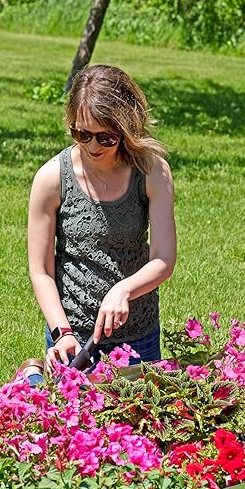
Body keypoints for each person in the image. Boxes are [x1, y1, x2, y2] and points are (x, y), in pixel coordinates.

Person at [25, 64, 176, 377]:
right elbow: (41, 271)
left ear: (126, 128)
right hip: (73, 336)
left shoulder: (152, 172)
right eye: (82, 134)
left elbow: (163, 258)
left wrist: (124, 290)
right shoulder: (52, 178)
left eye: (106, 137)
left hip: (139, 334)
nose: (93, 146)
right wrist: (61, 332)